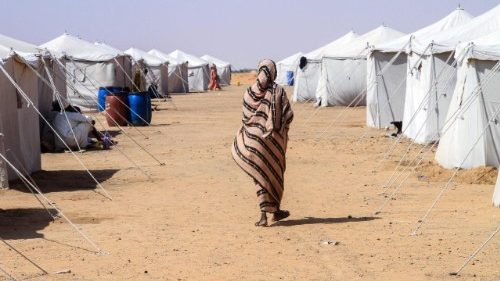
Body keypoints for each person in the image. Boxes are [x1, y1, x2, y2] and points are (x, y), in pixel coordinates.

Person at [231, 59, 294, 227]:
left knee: (260, 177)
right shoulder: (279, 91)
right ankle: (275, 211)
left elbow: (245, 118)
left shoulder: (249, 92)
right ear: (273, 73)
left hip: (253, 143)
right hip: (273, 142)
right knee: (274, 174)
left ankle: (264, 215)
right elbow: (288, 115)